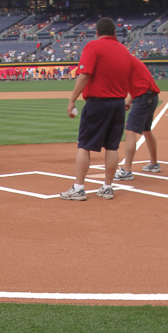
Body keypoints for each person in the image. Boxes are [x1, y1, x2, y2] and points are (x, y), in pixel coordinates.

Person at [60, 17, 133, 201]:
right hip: (118, 104)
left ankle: (78, 188)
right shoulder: (125, 50)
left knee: (84, 145)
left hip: (98, 103)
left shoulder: (94, 46)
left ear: (97, 33)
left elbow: (84, 75)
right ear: (115, 33)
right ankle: (108, 187)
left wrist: (71, 100)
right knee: (112, 146)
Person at [115, 55, 161, 183]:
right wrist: (129, 101)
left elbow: (126, 84)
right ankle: (154, 164)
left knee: (129, 131)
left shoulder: (124, 61)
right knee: (146, 130)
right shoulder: (131, 61)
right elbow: (139, 84)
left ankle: (127, 170)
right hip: (150, 96)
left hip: (143, 98)